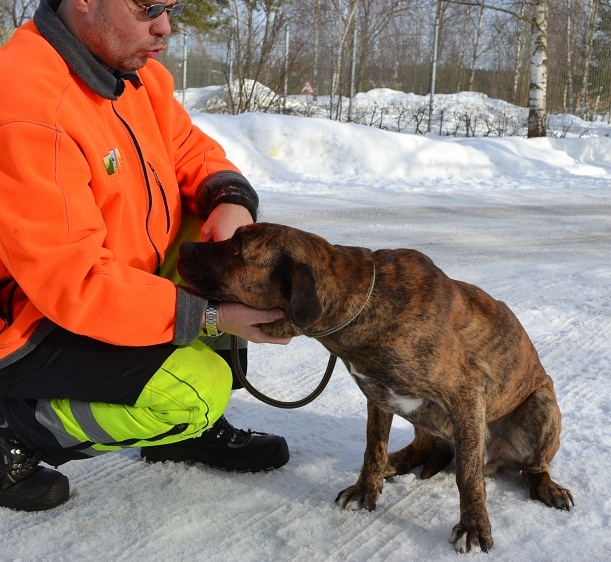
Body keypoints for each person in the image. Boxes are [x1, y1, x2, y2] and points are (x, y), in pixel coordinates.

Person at [0, 0, 292, 512]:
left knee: (231, 249)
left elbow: (190, 151)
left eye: (171, 7)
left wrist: (229, 200)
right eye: (147, 6)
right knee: (196, 391)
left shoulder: (133, 74)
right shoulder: (27, 106)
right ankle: (14, 430)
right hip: (28, 321)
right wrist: (210, 315)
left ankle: (181, 435)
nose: (165, 27)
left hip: (106, 289)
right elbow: (74, 283)